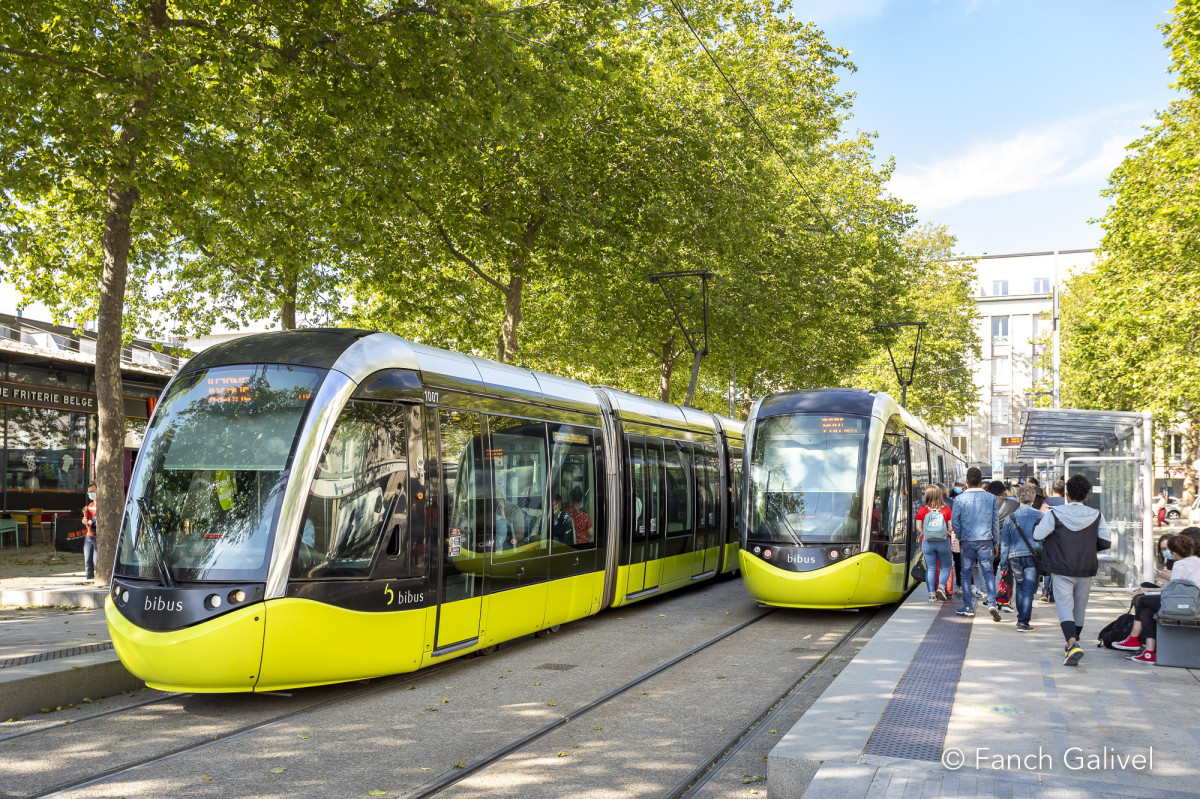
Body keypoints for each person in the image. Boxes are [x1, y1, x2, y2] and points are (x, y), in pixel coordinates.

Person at [1034, 473, 1111, 666]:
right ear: (1086, 495)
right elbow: (1105, 542)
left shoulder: (1055, 513)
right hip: (1086, 567)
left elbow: (1037, 535)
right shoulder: (1096, 515)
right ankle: (1073, 644)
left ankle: (1072, 643)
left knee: (1064, 607)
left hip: (1061, 568)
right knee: (1080, 608)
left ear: (1066, 494)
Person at [1113, 535, 1200, 663]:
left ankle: (1134, 639)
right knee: (1146, 608)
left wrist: (1169, 579)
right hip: (1192, 601)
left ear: (1174, 553)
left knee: (1143, 601)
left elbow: (1175, 590)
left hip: (1186, 604)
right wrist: (1151, 591)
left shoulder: (1179, 565)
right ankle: (1148, 652)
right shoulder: (1197, 561)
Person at [951, 467, 1001, 620]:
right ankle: (992, 602)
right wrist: (996, 543)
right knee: (988, 572)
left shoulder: (959, 499)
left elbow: (955, 522)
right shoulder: (991, 498)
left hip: (967, 541)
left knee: (965, 574)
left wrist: (960, 536)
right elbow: (995, 522)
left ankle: (968, 607)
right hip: (986, 541)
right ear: (981, 480)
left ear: (967, 480)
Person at [1000, 483, 1043, 631]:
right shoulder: (1040, 516)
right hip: (1033, 557)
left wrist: (1004, 565)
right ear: (1034, 498)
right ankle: (1024, 622)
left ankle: (1020, 619)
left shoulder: (1010, 518)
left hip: (1015, 557)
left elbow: (1004, 543)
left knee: (1019, 586)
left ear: (1018, 498)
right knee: (1028, 589)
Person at [916, 485, 953, 601]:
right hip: (943, 542)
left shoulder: (922, 510)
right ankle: (941, 586)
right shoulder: (946, 509)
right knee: (946, 567)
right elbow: (951, 528)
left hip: (927, 542)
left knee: (931, 568)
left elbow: (918, 527)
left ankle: (931, 594)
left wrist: (927, 534)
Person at [987, 481, 1018, 611]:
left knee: (990, 571)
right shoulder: (1014, 504)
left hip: (990, 541)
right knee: (1007, 571)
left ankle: (991, 600)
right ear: (1003, 491)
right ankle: (1005, 600)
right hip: (1008, 541)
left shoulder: (986, 504)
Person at [1039, 479, 1066, 601]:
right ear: (1064, 492)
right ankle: (1054, 593)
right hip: (1062, 537)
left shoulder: (1047, 502)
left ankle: (1045, 591)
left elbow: (1040, 517)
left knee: (1049, 564)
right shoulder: (1066, 503)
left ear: (1052, 490)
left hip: (1048, 537)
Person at [82, 482, 98, 582]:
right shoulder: (90, 505)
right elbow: (86, 519)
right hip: (88, 536)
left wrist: (90, 521)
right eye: (89, 492)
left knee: (96, 561)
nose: (90, 494)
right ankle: (89, 579)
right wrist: (84, 520)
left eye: (92, 491)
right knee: (88, 561)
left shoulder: (103, 505)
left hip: (97, 537)